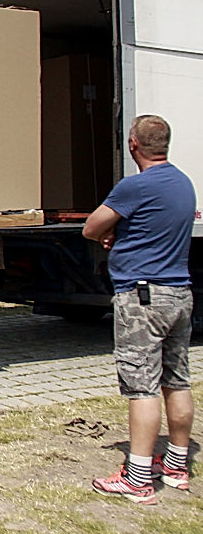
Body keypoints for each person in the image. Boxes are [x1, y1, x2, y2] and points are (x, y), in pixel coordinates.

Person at [83, 114, 196, 505]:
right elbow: (155, 229)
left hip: (143, 298)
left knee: (141, 387)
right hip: (180, 294)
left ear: (133, 145)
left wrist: (112, 234)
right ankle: (178, 465)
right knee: (176, 380)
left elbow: (92, 228)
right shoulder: (183, 183)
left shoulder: (135, 187)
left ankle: (137, 476)